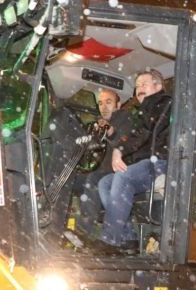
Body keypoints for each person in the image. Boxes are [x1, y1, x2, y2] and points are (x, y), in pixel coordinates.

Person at [97, 69, 172, 249]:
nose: (139, 89)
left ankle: (109, 240)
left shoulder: (163, 104)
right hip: (145, 164)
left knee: (123, 176)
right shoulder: (142, 110)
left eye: (144, 85)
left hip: (160, 162)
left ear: (158, 86)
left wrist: (119, 149)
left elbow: (143, 133)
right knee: (105, 183)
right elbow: (132, 135)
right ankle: (128, 236)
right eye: (137, 86)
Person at [71, 88, 132, 240]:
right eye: (100, 103)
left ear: (118, 104)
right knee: (68, 179)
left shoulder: (126, 119)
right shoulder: (98, 124)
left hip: (115, 170)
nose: (103, 107)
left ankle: (83, 232)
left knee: (93, 180)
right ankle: (60, 223)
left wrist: (113, 133)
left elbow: (128, 142)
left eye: (108, 102)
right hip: (97, 168)